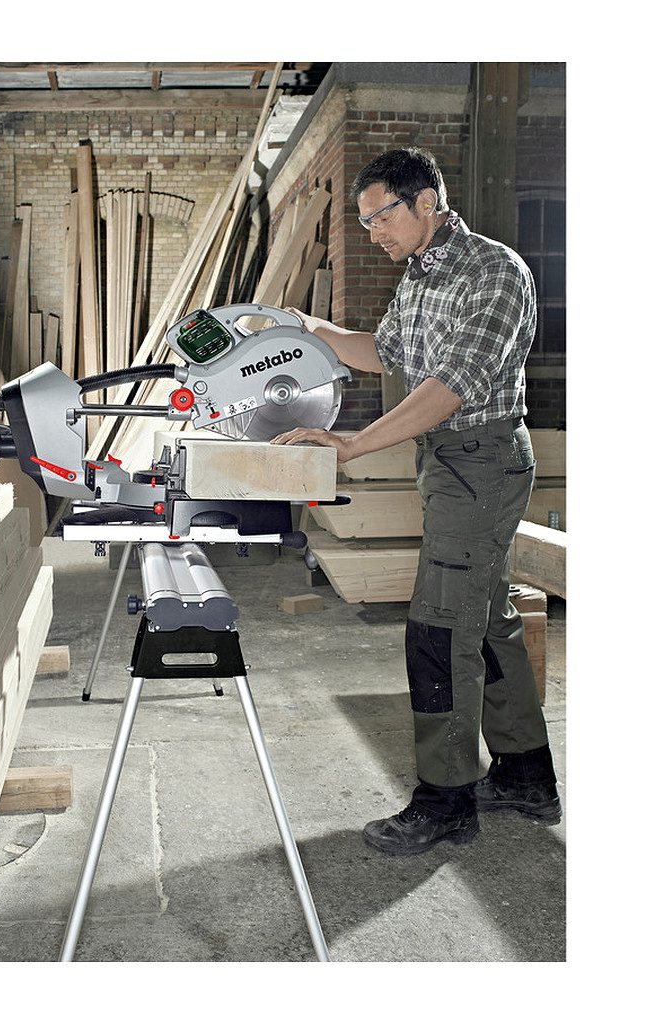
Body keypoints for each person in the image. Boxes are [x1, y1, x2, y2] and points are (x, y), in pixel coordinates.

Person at [272, 147, 561, 856]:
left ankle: (446, 800)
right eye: (365, 222)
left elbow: (449, 387)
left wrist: (353, 444)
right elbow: (386, 352)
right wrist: (308, 331)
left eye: (382, 217)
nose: (374, 233)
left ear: (426, 201)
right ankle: (526, 777)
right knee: (486, 619)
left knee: (438, 628)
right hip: (449, 463)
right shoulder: (420, 275)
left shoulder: (494, 272)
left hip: (482, 461)